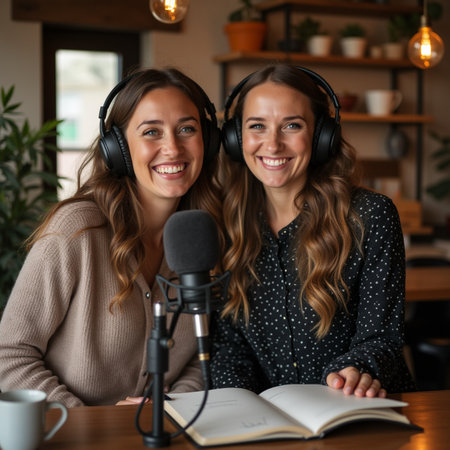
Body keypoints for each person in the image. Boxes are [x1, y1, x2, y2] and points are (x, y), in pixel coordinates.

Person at [0, 67, 223, 407]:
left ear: (207, 140)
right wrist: (87, 423)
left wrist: (172, 404)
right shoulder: (77, 230)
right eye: (151, 132)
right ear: (118, 147)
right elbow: (10, 354)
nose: (173, 147)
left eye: (187, 129)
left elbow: (203, 353)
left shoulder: (204, 236)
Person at [210, 64, 416, 397]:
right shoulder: (226, 223)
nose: (273, 144)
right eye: (257, 126)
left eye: (292, 125)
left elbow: (382, 338)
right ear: (236, 139)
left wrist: (356, 372)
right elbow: (229, 347)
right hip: (270, 424)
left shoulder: (370, 216)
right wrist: (238, 406)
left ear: (321, 136)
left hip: (361, 408)